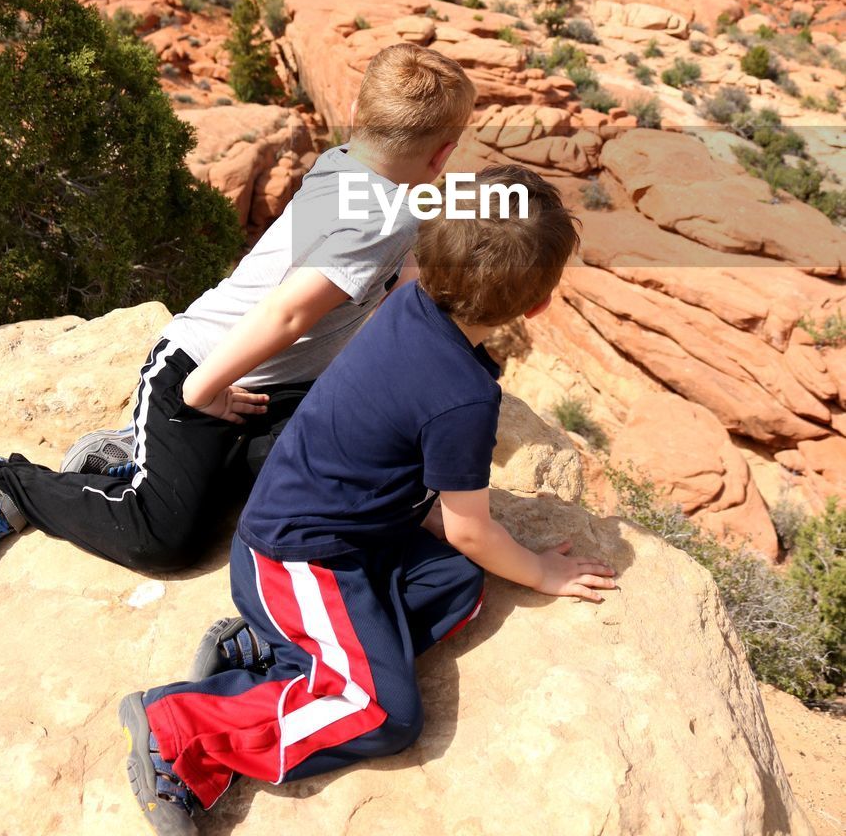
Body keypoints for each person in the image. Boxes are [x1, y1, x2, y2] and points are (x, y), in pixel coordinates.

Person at [118, 164, 617, 834]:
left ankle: (270, 654)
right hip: (298, 560)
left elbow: (456, 531)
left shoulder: (411, 299)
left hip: (351, 538)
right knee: (382, 712)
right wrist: (543, 570)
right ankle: (179, 728)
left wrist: (491, 548)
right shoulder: (463, 396)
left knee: (462, 583)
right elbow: (471, 526)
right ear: (535, 306)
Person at [0, 43, 476, 572]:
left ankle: (137, 457)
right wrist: (199, 389)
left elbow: (398, 283)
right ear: (441, 155)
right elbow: (287, 315)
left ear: (358, 118)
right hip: (201, 369)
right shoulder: (386, 219)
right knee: (162, 540)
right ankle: (13, 483)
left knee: (323, 475)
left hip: (272, 388)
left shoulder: (347, 163)